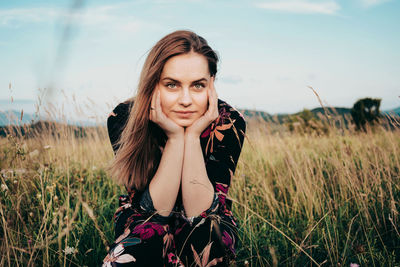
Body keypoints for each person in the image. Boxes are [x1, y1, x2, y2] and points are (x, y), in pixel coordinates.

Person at [103, 30, 246, 266]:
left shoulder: (229, 122)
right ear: (153, 84)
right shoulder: (124, 118)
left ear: (212, 84)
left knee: (207, 240)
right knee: (139, 246)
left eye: (198, 86)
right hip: (145, 214)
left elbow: (201, 214)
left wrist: (192, 137)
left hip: (207, 214)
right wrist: (175, 138)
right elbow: (153, 214)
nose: (186, 100)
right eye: (172, 85)